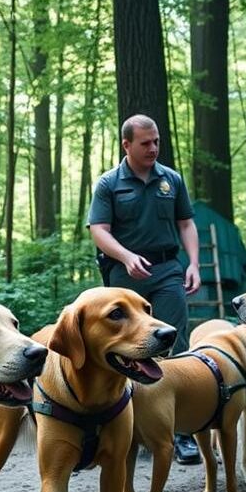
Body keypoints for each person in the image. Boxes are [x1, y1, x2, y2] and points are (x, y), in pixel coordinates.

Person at [87, 114, 202, 465]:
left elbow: (186, 223)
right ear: (127, 145)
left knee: (174, 344)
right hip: (126, 275)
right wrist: (125, 256)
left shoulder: (172, 180)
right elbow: (99, 229)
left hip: (167, 270)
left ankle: (180, 432)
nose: (153, 148)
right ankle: (123, 426)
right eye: (145, 143)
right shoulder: (109, 183)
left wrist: (194, 264)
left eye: (156, 142)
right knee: (125, 348)